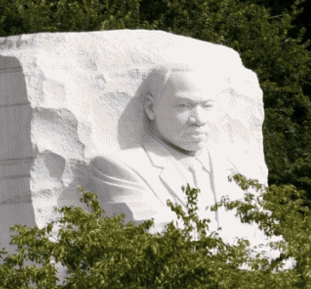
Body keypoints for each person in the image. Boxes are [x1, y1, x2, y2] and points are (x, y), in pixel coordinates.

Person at [87, 64, 248, 240]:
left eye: (207, 106)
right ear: (151, 108)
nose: (199, 119)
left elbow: (267, 236)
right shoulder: (117, 168)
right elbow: (158, 238)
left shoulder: (234, 169)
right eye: (184, 106)